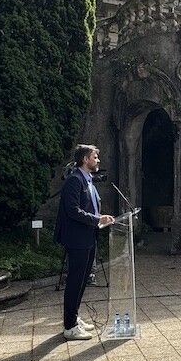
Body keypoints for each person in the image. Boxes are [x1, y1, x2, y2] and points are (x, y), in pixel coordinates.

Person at [55, 145, 114, 341]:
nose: (98, 160)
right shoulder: (74, 180)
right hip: (77, 239)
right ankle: (69, 326)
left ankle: (74, 317)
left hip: (88, 237)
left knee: (82, 281)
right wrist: (97, 220)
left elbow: (90, 208)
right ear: (85, 160)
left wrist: (101, 217)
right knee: (75, 281)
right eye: (95, 157)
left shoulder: (88, 180)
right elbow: (73, 210)